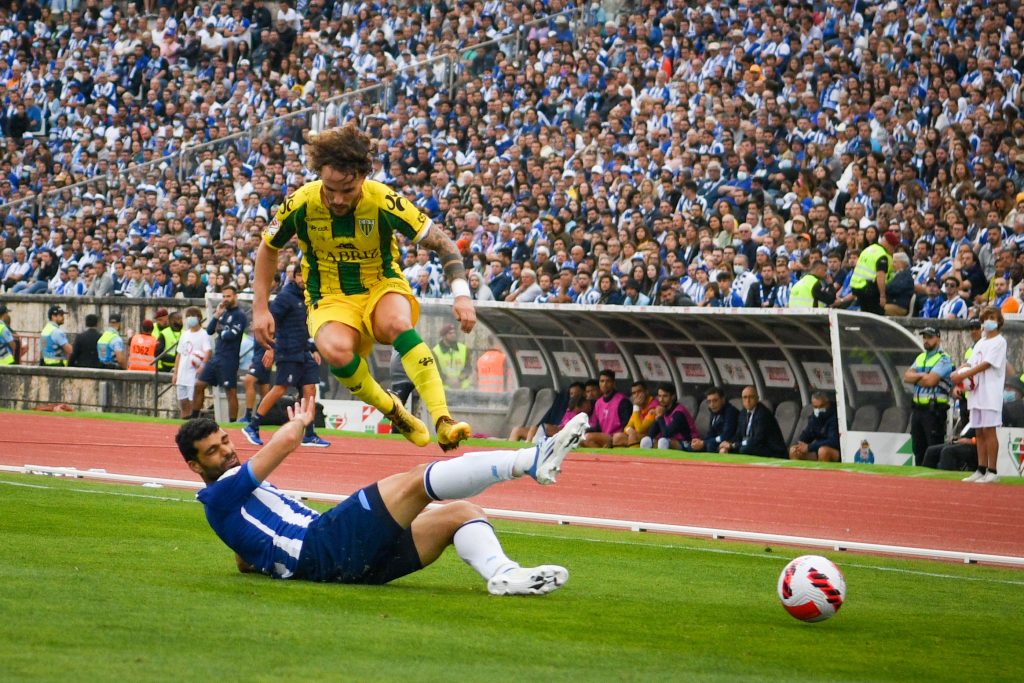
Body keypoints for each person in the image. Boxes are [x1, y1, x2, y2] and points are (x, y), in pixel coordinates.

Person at [176, 396, 589, 595]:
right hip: (321, 545)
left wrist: (258, 557)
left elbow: (245, 557)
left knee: (461, 512)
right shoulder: (220, 494)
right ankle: (532, 459)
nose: (228, 451)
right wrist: (301, 421)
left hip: (341, 564)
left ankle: (505, 575)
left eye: (226, 441)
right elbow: (281, 445)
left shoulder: (226, 502)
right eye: (213, 451)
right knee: (415, 481)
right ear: (195, 467)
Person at [252, 124, 474, 452]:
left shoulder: (384, 200)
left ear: (363, 176)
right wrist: (260, 308)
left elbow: (444, 244)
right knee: (335, 350)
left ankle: (444, 420)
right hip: (329, 297)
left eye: (348, 189)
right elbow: (268, 247)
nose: (338, 198)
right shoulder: (300, 202)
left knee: (398, 324)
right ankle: (393, 410)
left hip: (380, 286)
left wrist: (462, 295)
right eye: (330, 189)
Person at [243, 268, 329, 448]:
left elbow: (305, 327)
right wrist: (270, 346)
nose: (303, 279)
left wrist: (313, 348)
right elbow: (271, 321)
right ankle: (253, 426)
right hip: (287, 351)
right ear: (294, 276)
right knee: (280, 389)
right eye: (300, 275)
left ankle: (310, 434)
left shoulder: (309, 298)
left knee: (310, 390)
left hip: (303, 352)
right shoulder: (285, 297)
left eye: (307, 275)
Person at [952, 306, 1007, 483]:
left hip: (990, 392)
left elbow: (987, 364)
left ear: (998, 321)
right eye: (985, 318)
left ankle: (993, 470)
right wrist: (958, 372)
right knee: (979, 431)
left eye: (992, 317)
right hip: (976, 392)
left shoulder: (999, 341)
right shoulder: (981, 343)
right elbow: (970, 362)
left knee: (989, 430)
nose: (988, 321)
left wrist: (964, 374)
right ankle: (981, 469)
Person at [193, 285, 247, 419]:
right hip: (217, 357)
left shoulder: (239, 315)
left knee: (230, 392)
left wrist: (221, 331)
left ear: (235, 297)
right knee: (199, 385)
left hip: (229, 360)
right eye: (224, 296)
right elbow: (210, 330)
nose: (225, 299)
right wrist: (216, 316)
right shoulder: (223, 313)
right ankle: (194, 418)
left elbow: (231, 335)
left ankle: (232, 423)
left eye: (228, 296)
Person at [903, 327, 953, 466]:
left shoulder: (944, 359)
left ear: (938, 338)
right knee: (918, 449)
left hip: (934, 411)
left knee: (933, 449)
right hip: (918, 410)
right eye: (924, 337)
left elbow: (930, 381)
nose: (926, 340)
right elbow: (906, 377)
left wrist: (918, 378)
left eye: (930, 337)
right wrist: (921, 375)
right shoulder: (921, 357)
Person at [720, 386, 787, 458]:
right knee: (727, 449)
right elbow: (738, 435)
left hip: (771, 450)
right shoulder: (743, 413)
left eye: (751, 397)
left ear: (757, 399)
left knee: (745, 449)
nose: (748, 401)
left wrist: (734, 445)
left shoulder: (763, 414)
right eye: (745, 397)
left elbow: (758, 439)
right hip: (751, 445)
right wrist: (728, 443)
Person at [172, 307, 213, 420]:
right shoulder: (185, 334)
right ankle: (183, 421)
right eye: (188, 316)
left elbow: (208, 351)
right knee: (183, 401)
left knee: (192, 401)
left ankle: (193, 421)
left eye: (192, 316)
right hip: (182, 373)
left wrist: (202, 366)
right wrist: (175, 373)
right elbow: (179, 354)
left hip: (193, 374)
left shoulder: (203, 334)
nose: (190, 319)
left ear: (199, 318)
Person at [850, 231, 898, 315]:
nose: (892, 250)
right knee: (876, 315)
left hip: (857, 286)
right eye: (892, 247)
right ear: (887, 243)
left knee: (865, 314)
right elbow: (880, 276)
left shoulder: (868, 249)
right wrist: (882, 296)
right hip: (869, 289)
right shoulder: (882, 255)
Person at [581, 370, 632, 448]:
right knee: (581, 438)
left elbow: (626, 424)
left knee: (588, 438)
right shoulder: (598, 402)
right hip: (604, 436)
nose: (604, 384)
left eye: (608, 381)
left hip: (617, 437)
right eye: (602, 381)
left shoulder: (622, 401)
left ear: (613, 383)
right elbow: (599, 426)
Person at [639, 383, 696, 450]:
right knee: (646, 440)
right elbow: (651, 433)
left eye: (665, 396)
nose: (661, 399)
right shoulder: (664, 409)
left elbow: (666, 434)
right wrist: (657, 417)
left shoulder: (679, 413)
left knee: (663, 442)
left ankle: (664, 460)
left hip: (689, 443)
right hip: (671, 440)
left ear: (673, 397)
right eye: (659, 396)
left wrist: (660, 417)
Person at [788, 391, 840, 462]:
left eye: (821, 406)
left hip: (837, 452)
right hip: (817, 450)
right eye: (815, 407)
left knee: (823, 451)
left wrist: (809, 447)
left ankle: (823, 473)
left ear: (828, 404)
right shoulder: (815, 417)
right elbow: (807, 433)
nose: (818, 409)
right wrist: (800, 444)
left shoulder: (836, 416)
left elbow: (833, 441)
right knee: (794, 450)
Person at [689, 386, 739, 453]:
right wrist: (700, 442)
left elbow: (726, 435)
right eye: (709, 402)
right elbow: (710, 433)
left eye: (715, 400)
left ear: (723, 399)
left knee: (710, 445)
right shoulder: (714, 412)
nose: (712, 404)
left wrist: (704, 443)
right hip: (716, 441)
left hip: (729, 442)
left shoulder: (730, 412)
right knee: (692, 446)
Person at [614, 381, 659, 447]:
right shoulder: (639, 406)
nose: (637, 395)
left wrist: (636, 407)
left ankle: (634, 456)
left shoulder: (654, 406)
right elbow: (627, 427)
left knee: (633, 437)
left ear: (646, 392)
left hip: (654, 438)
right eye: (634, 393)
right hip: (641, 436)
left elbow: (640, 429)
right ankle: (621, 457)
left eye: (639, 391)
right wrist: (630, 431)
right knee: (617, 437)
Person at [431, 323, 472, 390]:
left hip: (463, 389)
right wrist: (447, 381)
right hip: (445, 390)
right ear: (444, 336)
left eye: (454, 333)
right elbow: (435, 371)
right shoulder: (435, 351)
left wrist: (459, 379)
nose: (453, 335)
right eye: (450, 333)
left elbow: (468, 368)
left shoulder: (464, 349)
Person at [242, 343, 271, 424]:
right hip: (259, 356)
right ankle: (265, 417)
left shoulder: (262, 329)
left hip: (263, 356)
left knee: (248, 380)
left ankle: (248, 416)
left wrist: (270, 350)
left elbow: (272, 334)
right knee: (263, 385)